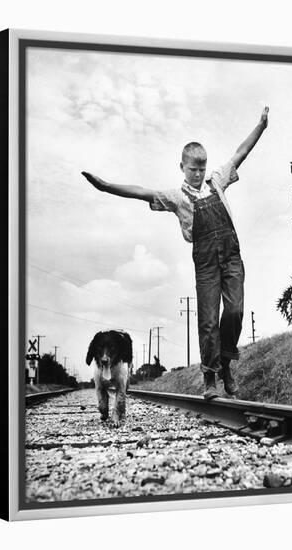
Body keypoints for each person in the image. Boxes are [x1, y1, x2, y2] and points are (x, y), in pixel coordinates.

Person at [82, 107, 269, 399]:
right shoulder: (176, 196)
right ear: (181, 166)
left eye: (202, 168)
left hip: (232, 256)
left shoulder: (217, 181)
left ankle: (226, 365)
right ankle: (210, 377)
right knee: (208, 321)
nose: (198, 173)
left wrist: (261, 127)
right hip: (205, 262)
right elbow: (141, 191)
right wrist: (106, 187)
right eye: (193, 168)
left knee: (235, 311)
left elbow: (240, 153)